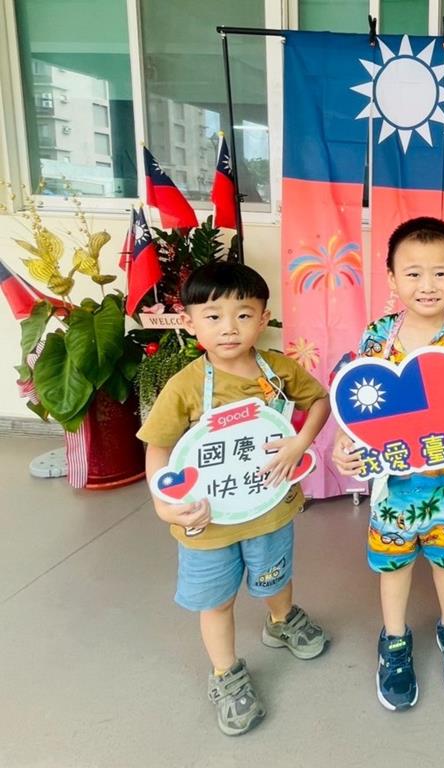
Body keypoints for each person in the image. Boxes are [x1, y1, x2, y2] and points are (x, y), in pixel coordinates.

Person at [138, 261, 331, 736]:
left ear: (263, 319)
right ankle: (226, 674)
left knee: (275, 577)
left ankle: (281, 620)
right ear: (189, 322)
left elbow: (319, 401)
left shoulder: (278, 370)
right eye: (213, 316)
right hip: (207, 521)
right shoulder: (185, 386)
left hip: (269, 509)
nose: (229, 328)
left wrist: (300, 442)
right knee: (217, 601)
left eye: (243, 315)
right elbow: (158, 448)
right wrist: (164, 503)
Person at [331, 217, 444, 711]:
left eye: (440, 273)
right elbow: (358, 407)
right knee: (395, 565)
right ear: (391, 278)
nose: (427, 285)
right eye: (412, 273)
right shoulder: (378, 337)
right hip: (395, 489)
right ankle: (394, 640)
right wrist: (345, 443)